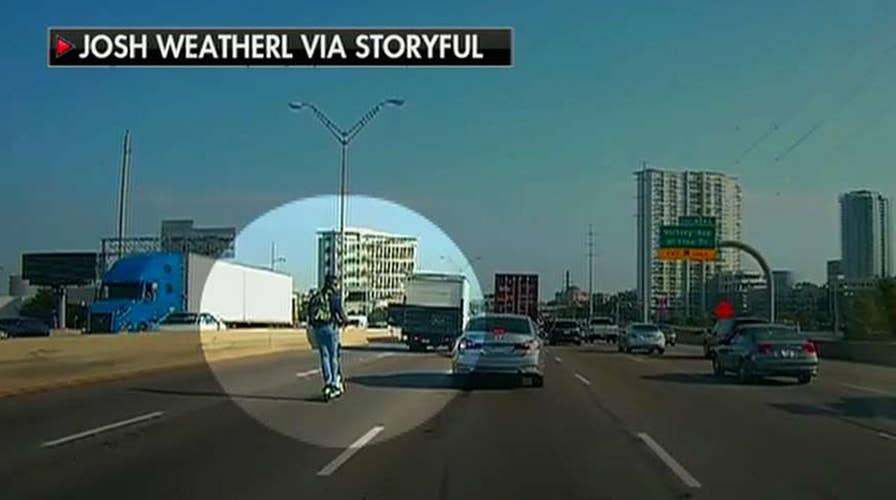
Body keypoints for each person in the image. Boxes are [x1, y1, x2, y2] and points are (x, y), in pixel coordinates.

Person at [307, 273, 349, 398]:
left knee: (324, 356)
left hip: (318, 329)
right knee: (333, 356)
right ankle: (334, 384)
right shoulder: (333, 296)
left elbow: (309, 312)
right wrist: (345, 321)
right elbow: (339, 311)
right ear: (332, 284)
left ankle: (328, 382)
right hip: (331, 328)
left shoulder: (317, 296)